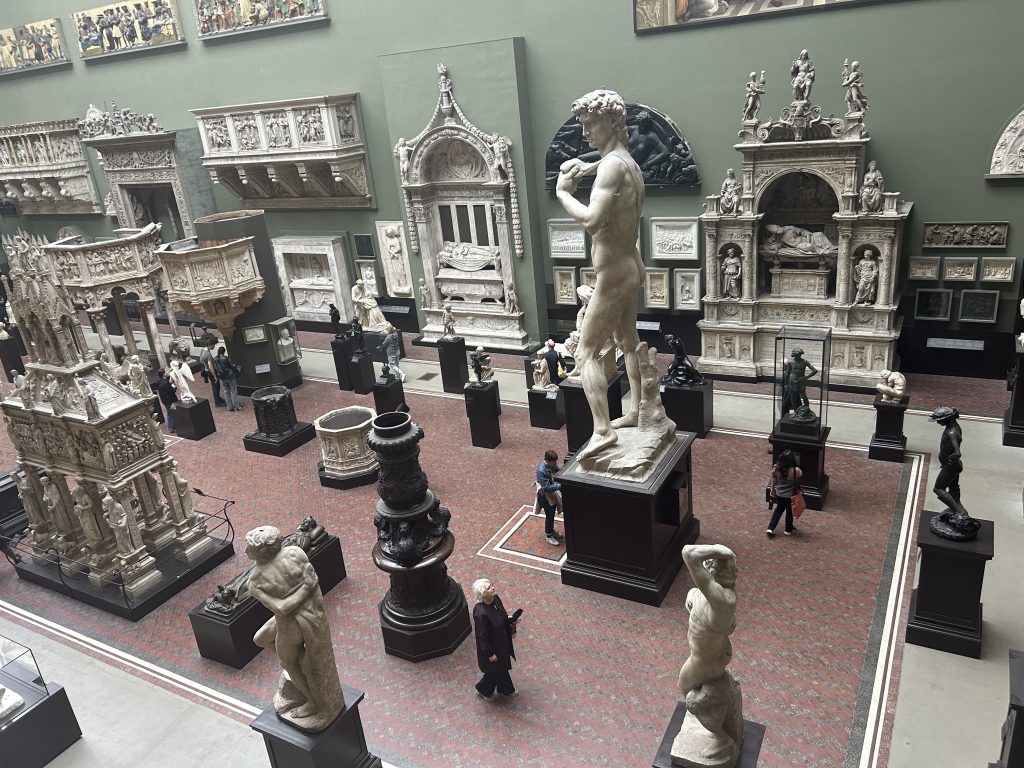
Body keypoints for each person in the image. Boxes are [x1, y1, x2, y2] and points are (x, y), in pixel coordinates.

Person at [555, 89, 644, 460]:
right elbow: (607, 166)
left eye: (591, 124)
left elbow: (593, 220)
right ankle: (638, 409)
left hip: (613, 273)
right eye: (583, 124)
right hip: (630, 265)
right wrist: (586, 166)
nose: (585, 131)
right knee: (627, 342)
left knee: (585, 353)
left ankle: (603, 430)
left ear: (611, 122)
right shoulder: (626, 162)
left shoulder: (612, 166)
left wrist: (562, 192)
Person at [471, 578, 520, 701]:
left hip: (501, 644)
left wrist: (509, 619)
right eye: (488, 588)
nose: (492, 588)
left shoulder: (496, 599)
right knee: (495, 671)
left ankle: (505, 688)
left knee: (500, 668)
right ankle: (484, 689)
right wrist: (490, 654)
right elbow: (482, 636)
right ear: (482, 594)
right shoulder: (481, 613)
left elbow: (501, 616)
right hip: (493, 648)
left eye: (491, 585)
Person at [766, 449, 802, 536]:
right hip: (790, 496)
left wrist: (773, 492)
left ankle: (770, 528)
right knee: (789, 512)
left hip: (779, 494)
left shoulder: (776, 468)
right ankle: (788, 529)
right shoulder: (795, 470)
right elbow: (800, 475)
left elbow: (773, 481)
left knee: (778, 510)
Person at [535, 450, 564, 546]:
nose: (555, 464)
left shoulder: (552, 465)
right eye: (554, 462)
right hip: (545, 496)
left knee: (552, 514)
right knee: (550, 515)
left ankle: (551, 531)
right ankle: (549, 535)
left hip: (552, 493)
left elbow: (557, 471)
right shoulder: (541, 470)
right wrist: (560, 486)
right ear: (548, 461)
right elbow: (546, 487)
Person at [199, 337, 227, 407]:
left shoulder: (202, 351)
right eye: (213, 345)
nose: (214, 347)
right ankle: (217, 402)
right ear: (210, 345)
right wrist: (214, 376)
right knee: (216, 386)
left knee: (215, 386)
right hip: (211, 372)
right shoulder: (208, 354)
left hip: (207, 370)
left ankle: (218, 398)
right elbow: (210, 366)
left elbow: (201, 361)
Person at [213, 346, 242, 411]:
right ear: (224, 351)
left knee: (226, 391)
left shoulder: (215, 359)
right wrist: (237, 371)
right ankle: (236, 406)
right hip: (230, 376)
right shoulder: (226, 358)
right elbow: (232, 366)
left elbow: (215, 368)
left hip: (222, 377)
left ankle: (230, 407)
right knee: (233, 391)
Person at [156, 367, 177, 433]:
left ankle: (173, 425)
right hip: (169, 401)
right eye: (166, 372)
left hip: (167, 401)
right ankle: (171, 427)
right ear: (163, 374)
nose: (168, 372)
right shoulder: (164, 384)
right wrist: (174, 388)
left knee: (171, 412)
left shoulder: (161, 381)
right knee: (170, 412)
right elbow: (171, 391)